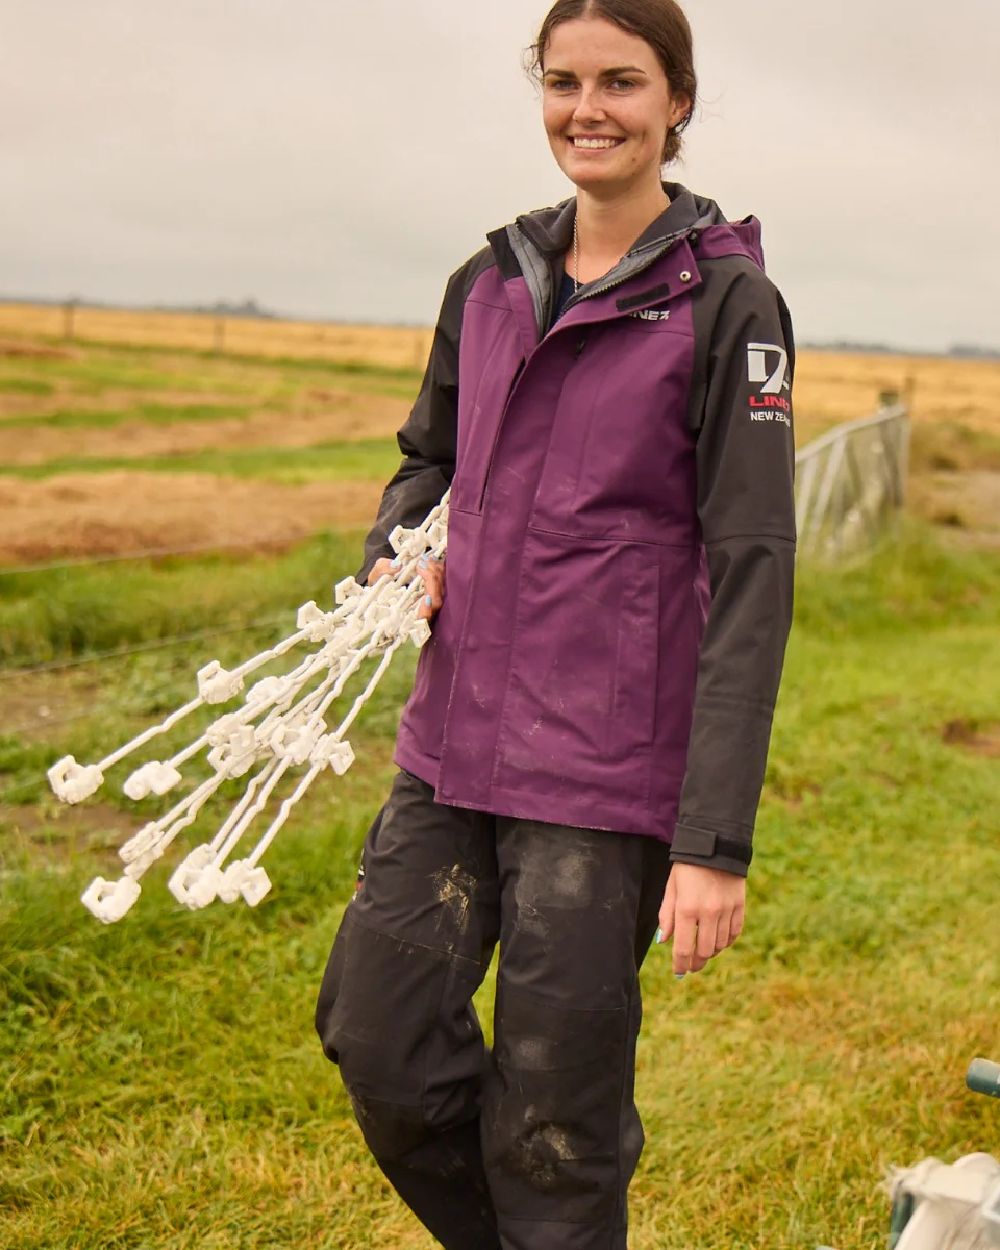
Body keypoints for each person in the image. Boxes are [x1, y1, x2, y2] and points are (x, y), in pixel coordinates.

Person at [315, 0, 796, 1246]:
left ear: (675, 101)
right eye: (564, 80)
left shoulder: (728, 306)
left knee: (554, 1121)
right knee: (376, 1036)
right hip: (450, 748)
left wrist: (713, 839)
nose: (590, 109)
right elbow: (426, 461)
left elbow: (753, 573)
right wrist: (395, 551)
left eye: (622, 82)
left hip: (601, 777)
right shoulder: (486, 282)